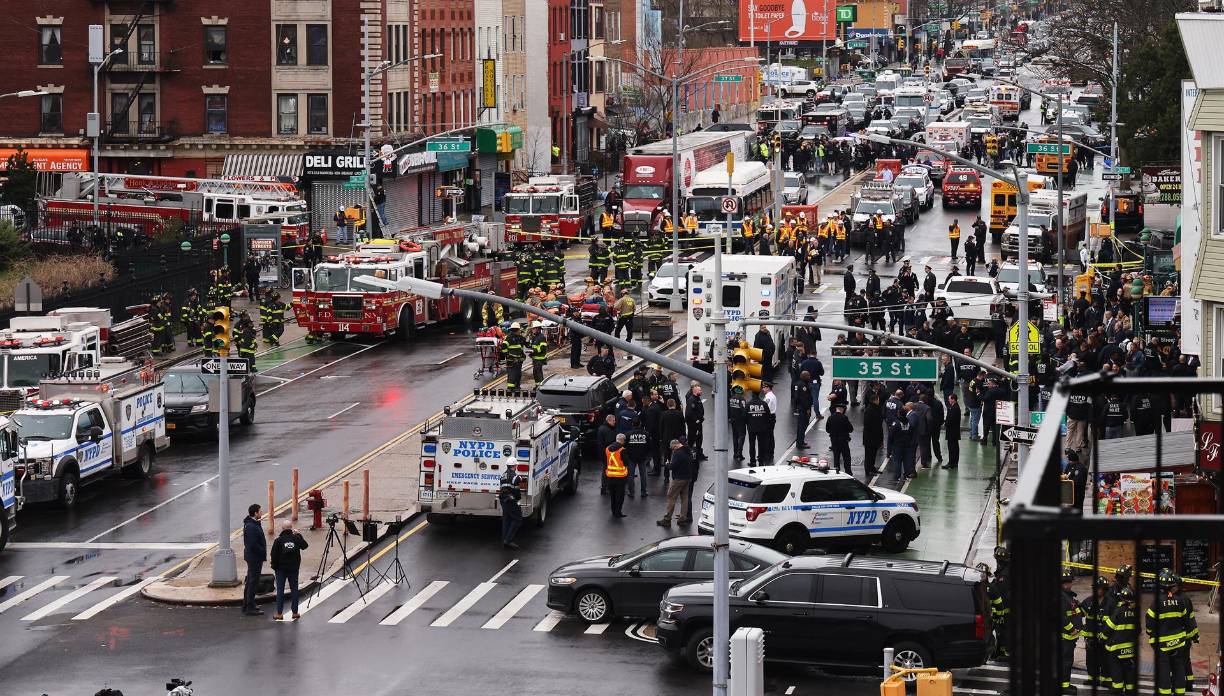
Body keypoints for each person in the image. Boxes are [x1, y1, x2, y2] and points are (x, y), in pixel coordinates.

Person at [1147, 570, 1197, 696]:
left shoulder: (1156, 603)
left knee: (1164, 670)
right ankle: (1180, 692)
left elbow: (1149, 625)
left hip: (1162, 645)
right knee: (1178, 669)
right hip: (1179, 643)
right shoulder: (1180, 601)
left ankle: (1164, 693)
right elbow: (1187, 621)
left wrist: (1150, 632)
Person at [269, 520, 309, 620]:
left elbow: (273, 555)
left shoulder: (278, 540)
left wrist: (274, 566)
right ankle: (295, 612)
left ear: (282, 528)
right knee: (294, 589)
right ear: (291, 528)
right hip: (293, 568)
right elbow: (305, 546)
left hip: (281, 569)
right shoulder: (295, 538)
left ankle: (279, 613)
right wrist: (299, 535)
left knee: (280, 590)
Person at [1104, 586, 1138, 695]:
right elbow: (1138, 630)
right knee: (1129, 669)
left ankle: (1117, 689)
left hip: (1117, 648)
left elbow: (1108, 628)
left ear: (1122, 599)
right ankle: (1130, 689)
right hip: (1130, 648)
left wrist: (1102, 638)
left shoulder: (1118, 611)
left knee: (1116, 668)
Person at [1080, 576, 1110, 691]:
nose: (1097, 591)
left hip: (1105, 639)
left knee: (1105, 660)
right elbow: (1078, 615)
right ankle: (1093, 679)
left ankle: (1106, 680)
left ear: (1104, 590)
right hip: (1091, 639)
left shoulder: (1110, 604)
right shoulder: (1088, 601)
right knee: (1091, 660)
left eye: (1100, 588)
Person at [1059, 568, 1084, 694]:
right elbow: (1062, 617)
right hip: (1066, 637)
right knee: (1066, 662)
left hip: (1069, 638)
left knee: (1066, 661)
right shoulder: (1062, 597)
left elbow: (1074, 612)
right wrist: (1073, 629)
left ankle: (1065, 684)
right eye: (1069, 582)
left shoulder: (1068, 596)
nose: (1071, 584)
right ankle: (1064, 686)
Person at [657, 439, 693, 526]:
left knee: (671, 496)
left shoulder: (678, 453)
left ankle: (667, 519)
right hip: (687, 477)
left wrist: (667, 464)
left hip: (679, 478)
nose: (672, 450)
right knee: (684, 498)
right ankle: (683, 518)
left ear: (675, 446)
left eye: (673, 448)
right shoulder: (687, 451)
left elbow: (672, 466)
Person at [242, 504, 266, 616]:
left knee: (251, 580)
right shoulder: (251, 526)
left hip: (253, 556)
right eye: (260, 511)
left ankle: (248, 604)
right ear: (255, 513)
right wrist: (262, 551)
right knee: (253, 582)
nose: (261, 513)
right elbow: (252, 544)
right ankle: (250, 607)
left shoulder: (253, 523)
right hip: (254, 557)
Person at [604, 433, 630, 518]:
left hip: (610, 476)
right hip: (620, 477)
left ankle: (613, 511)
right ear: (622, 440)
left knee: (612, 495)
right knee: (620, 496)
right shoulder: (622, 450)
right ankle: (618, 512)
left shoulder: (607, 448)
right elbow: (626, 463)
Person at [625, 416, 651, 498]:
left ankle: (631, 492)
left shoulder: (628, 434)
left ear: (632, 424)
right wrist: (647, 455)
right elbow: (649, 446)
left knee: (631, 475)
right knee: (643, 475)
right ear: (640, 424)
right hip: (642, 457)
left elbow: (625, 446)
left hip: (631, 457)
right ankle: (643, 492)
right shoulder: (646, 434)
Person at [825, 403, 854, 475]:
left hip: (834, 440)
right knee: (846, 457)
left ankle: (836, 471)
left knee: (836, 456)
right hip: (843, 440)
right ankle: (848, 472)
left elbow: (827, 429)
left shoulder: (830, 418)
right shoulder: (844, 418)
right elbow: (850, 429)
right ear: (842, 409)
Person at [498, 470, 523, 548]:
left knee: (506, 519)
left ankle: (505, 539)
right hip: (510, 500)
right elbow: (517, 481)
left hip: (503, 500)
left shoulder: (503, 475)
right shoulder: (514, 476)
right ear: (514, 466)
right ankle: (508, 540)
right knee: (517, 518)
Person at [500, 323, 526, 389]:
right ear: (516, 330)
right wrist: (508, 355)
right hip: (512, 360)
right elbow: (503, 347)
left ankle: (517, 386)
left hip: (518, 360)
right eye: (519, 330)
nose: (520, 331)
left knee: (518, 374)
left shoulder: (519, 337)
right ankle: (510, 388)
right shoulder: (509, 337)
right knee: (512, 374)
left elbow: (522, 346)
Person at [792, 371, 813, 449]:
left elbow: (796, 397)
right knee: (803, 426)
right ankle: (800, 443)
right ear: (804, 377)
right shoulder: (804, 385)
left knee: (801, 426)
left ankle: (800, 441)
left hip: (800, 407)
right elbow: (805, 399)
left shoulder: (797, 383)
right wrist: (807, 408)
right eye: (808, 376)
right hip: (804, 408)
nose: (809, 377)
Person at [685, 383, 706, 461]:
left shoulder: (697, 398)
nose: (701, 391)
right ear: (695, 391)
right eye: (700, 390)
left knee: (699, 439)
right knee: (692, 440)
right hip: (694, 425)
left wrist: (701, 418)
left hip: (698, 423)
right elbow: (689, 413)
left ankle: (699, 455)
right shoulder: (692, 400)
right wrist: (696, 420)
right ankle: (689, 456)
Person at [728, 384, 748, 462]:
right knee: (741, 436)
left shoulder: (731, 399)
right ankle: (740, 453)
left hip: (733, 420)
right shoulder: (742, 399)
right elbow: (744, 410)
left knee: (735, 437)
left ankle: (735, 453)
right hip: (741, 421)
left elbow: (729, 409)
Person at [943, 393, 961, 470]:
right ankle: (954, 462)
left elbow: (951, 420)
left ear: (953, 399)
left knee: (952, 448)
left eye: (950, 399)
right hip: (954, 432)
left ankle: (951, 463)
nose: (949, 400)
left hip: (952, 432)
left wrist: (945, 423)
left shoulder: (954, 408)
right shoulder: (954, 407)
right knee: (955, 447)